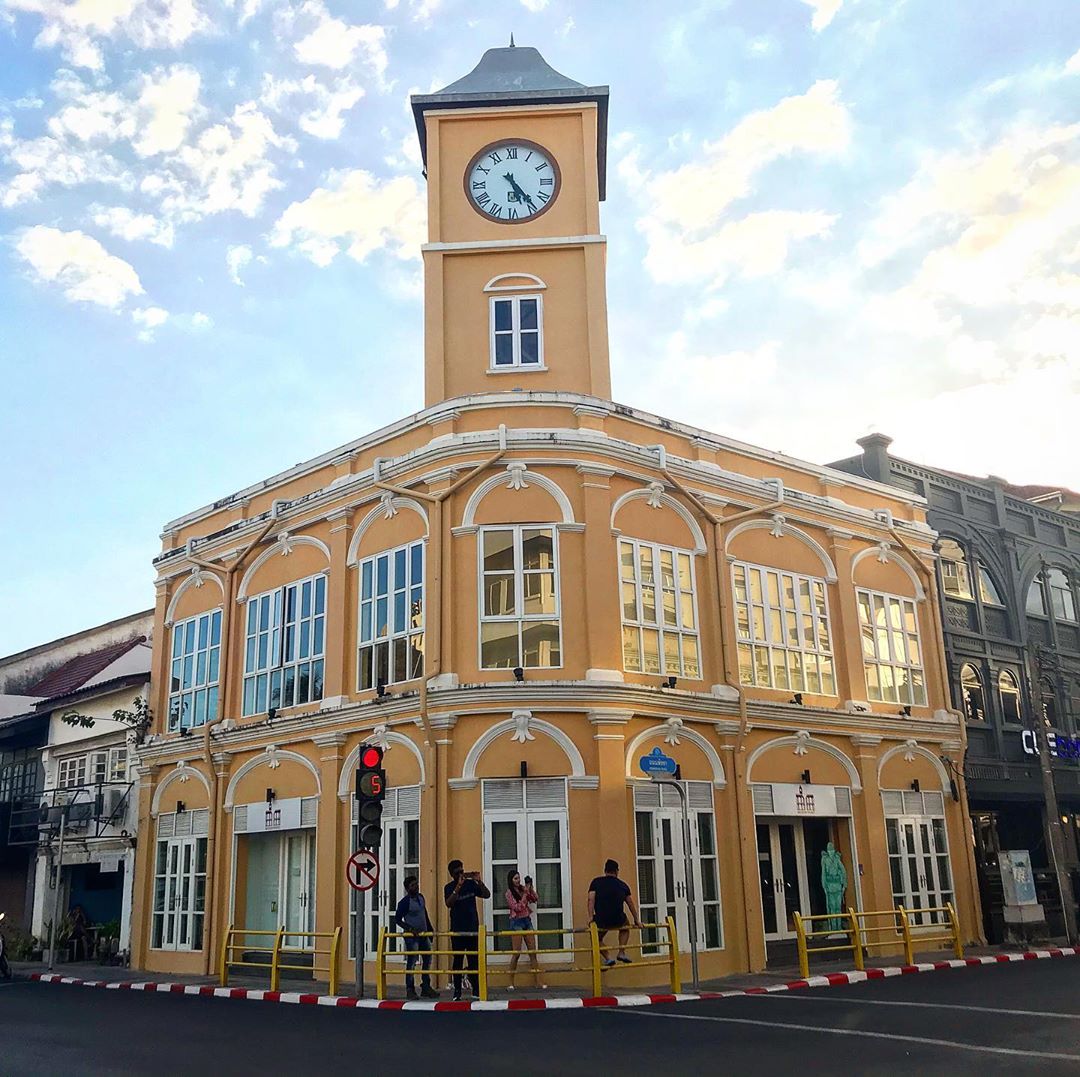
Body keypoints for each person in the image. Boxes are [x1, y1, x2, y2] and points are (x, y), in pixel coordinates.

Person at [444, 859, 490, 1001]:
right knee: (457, 961)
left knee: (473, 960)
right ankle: (457, 990)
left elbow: (486, 894)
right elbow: (449, 903)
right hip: (457, 930)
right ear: (452, 874)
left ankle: (476, 988)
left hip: (472, 929)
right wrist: (458, 887)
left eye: (462, 871)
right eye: (457, 872)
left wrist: (479, 881)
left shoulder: (470, 884)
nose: (461, 874)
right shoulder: (448, 887)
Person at [587, 859, 641, 966]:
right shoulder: (623, 885)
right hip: (618, 919)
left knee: (595, 938)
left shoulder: (596, 882)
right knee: (625, 928)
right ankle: (621, 952)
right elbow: (630, 904)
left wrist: (590, 917)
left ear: (605, 870)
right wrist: (637, 920)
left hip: (602, 919)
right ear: (617, 871)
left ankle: (608, 957)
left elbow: (590, 899)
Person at [394, 875, 438, 1000]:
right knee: (412, 961)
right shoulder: (404, 903)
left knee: (427, 959)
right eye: (413, 885)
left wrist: (430, 928)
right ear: (408, 889)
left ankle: (426, 986)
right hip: (412, 937)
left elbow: (424, 913)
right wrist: (409, 928)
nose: (416, 886)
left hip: (424, 934)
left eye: (416, 884)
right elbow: (397, 919)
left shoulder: (421, 898)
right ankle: (410, 989)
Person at [505, 870, 545, 991]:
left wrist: (530, 888)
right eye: (515, 879)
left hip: (527, 921)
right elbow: (517, 907)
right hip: (516, 922)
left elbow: (535, 898)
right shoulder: (509, 893)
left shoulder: (523, 889)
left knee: (532, 952)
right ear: (511, 880)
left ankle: (537, 981)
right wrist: (524, 895)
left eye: (519, 878)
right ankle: (510, 982)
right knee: (516, 953)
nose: (518, 881)